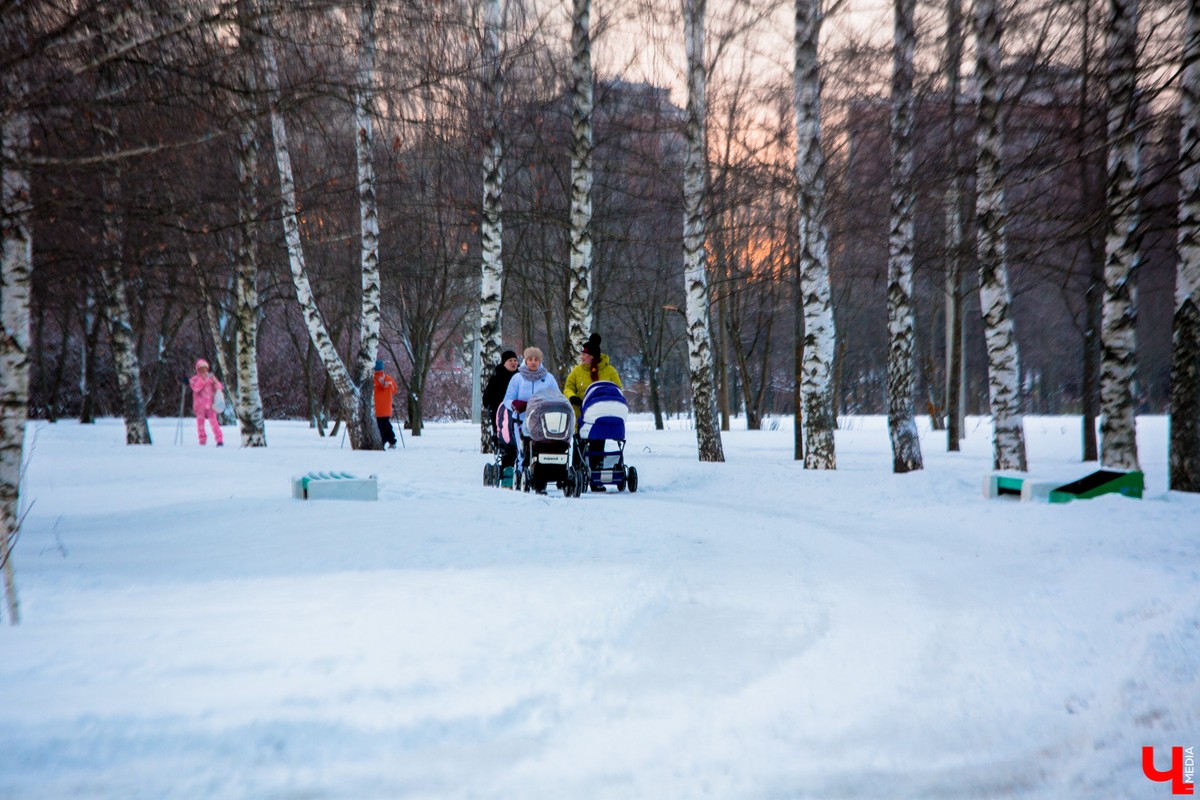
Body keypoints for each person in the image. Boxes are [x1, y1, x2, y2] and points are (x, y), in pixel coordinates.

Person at [564, 333, 622, 491]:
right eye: (581, 354)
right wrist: (573, 397)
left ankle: (596, 479)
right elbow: (568, 387)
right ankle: (576, 477)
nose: (582, 357)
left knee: (597, 446)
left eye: (585, 354)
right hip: (580, 415)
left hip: (599, 416)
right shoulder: (577, 371)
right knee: (579, 447)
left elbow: (617, 389)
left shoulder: (609, 371)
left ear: (593, 356)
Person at [503, 347, 560, 488]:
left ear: (540, 361)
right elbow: (507, 399)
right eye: (530, 359)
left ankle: (542, 475)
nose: (533, 362)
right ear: (525, 361)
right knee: (524, 449)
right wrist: (514, 404)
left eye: (536, 359)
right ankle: (522, 472)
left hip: (544, 422)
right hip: (522, 420)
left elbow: (558, 397)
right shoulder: (518, 378)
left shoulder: (548, 378)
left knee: (542, 449)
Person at [483, 349, 520, 477]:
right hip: (501, 416)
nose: (513, 363)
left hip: (519, 416)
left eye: (515, 360)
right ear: (504, 363)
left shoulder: (521, 378)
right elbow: (486, 399)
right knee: (508, 443)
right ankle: (507, 471)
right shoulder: (497, 378)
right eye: (510, 360)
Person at [189, 359, 224, 447]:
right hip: (199, 405)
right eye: (201, 369)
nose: (203, 371)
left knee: (214, 423)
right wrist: (203, 380)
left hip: (210, 405)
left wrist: (215, 381)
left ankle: (219, 439)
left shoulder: (210, 378)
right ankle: (202, 440)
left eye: (205, 368)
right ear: (198, 370)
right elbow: (196, 388)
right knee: (200, 424)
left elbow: (219, 387)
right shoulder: (195, 379)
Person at [373, 359, 399, 449]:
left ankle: (384, 440)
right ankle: (391, 440)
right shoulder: (389, 378)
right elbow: (395, 390)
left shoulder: (373, 379)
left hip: (377, 406)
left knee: (381, 426)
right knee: (386, 424)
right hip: (387, 406)